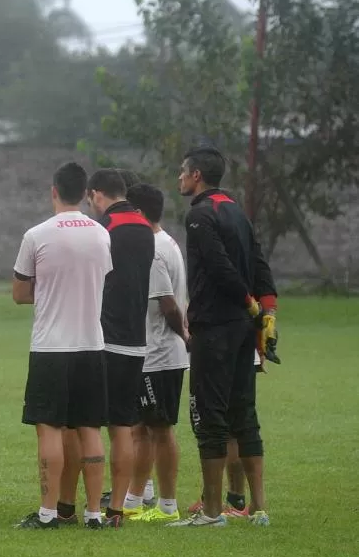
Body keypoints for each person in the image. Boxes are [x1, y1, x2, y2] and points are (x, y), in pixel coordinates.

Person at [169, 146, 277, 528]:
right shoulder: (236, 210)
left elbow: (218, 266)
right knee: (243, 413)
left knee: (208, 415)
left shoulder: (200, 214)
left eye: (183, 171)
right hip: (243, 330)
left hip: (214, 326)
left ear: (197, 175)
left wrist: (250, 304)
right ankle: (259, 508)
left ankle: (213, 513)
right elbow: (259, 261)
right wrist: (268, 311)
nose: (179, 177)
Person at [12, 162, 112, 530]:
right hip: (91, 343)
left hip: (51, 346)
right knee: (90, 429)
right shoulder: (101, 235)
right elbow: (102, 279)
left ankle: (48, 512)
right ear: (85, 193)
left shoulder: (37, 235)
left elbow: (20, 293)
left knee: (49, 429)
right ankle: (94, 513)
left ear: (53, 191)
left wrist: (50, 288)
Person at [61, 169, 153, 529]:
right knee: (123, 426)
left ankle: (75, 504)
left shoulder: (104, 229)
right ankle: (117, 508)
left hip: (101, 337)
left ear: (97, 194)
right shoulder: (147, 228)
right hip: (136, 339)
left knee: (84, 424)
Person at [122, 183, 188, 523]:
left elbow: (168, 305)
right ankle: (133, 500)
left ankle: (167, 506)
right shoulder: (166, 242)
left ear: (139, 213)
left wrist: (186, 336)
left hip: (160, 354)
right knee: (141, 429)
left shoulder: (154, 250)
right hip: (152, 352)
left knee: (159, 429)